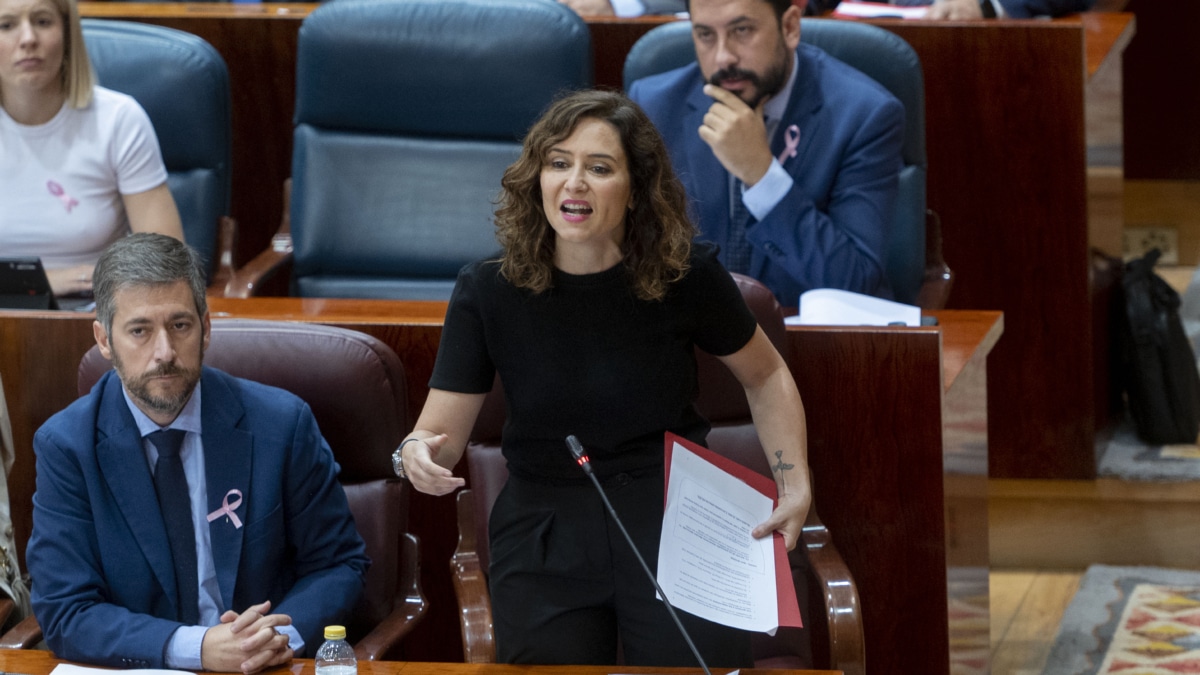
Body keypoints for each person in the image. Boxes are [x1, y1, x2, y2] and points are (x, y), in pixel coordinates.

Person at [396, 89, 811, 667]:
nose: (574, 183)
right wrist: (413, 454)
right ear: (535, 179)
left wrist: (793, 483)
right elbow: (435, 435)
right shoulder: (488, 290)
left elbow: (766, 377)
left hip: (675, 514)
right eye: (558, 163)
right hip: (545, 526)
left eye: (599, 168)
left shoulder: (686, 275)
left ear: (636, 188)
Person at [27, 233, 369, 673]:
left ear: (206, 328)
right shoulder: (67, 446)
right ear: (104, 340)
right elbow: (66, 611)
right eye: (140, 331)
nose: (164, 353)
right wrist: (197, 647)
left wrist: (274, 639)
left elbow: (340, 565)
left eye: (180, 325)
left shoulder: (280, 424)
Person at [627, 0, 905, 307]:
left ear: (790, 27)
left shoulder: (863, 115)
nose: (723, 57)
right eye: (705, 35)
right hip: (691, 339)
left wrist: (762, 175)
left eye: (742, 30)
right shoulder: (654, 105)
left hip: (809, 342)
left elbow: (856, 281)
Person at [0, 0, 184, 298]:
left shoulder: (118, 120)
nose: (28, 38)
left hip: (94, 308)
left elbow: (167, 263)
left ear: (67, 34)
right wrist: (43, 281)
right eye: (6, 25)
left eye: (43, 22)